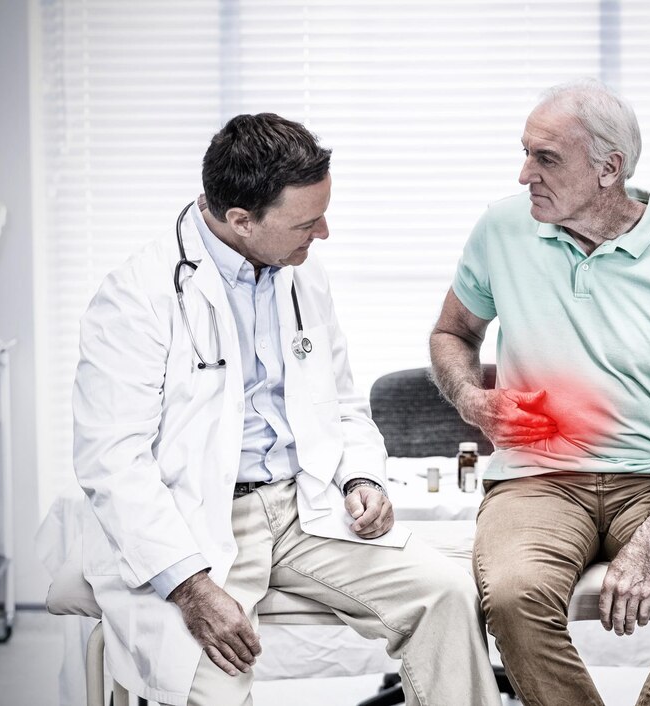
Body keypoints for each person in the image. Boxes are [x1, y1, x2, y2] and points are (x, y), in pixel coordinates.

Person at [73, 113, 502, 706]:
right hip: (197, 523)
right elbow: (113, 463)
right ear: (241, 220)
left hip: (304, 507)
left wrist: (361, 477)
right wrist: (190, 587)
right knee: (210, 689)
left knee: (446, 595)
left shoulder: (299, 272)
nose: (323, 232)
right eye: (306, 222)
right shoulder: (135, 297)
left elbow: (342, 402)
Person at [429, 80, 650, 706]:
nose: (524, 174)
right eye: (525, 152)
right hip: (535, 481)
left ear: (610, 168)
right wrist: (472, 399)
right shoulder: (502, 229)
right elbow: (453, 333)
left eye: (546, 158)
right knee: (514, 597)